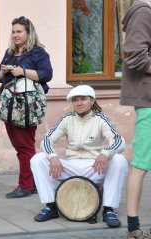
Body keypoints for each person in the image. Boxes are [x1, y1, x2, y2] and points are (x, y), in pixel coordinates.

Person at [30, 85, 128, 227]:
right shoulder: (67, 119)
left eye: (83, 99)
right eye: (75, 100)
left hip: (94, 167)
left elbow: (119, 141)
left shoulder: (101, 119)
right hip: (72, 167)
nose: (79, 103)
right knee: (37, 159)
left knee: (119, 160)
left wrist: (105, 154)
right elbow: (47, 140)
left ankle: (108, 209)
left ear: (92, 101)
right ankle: (51, 206)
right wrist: (53, 157)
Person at [0, 16, 53, 198]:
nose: (15, 35)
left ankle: (26, 185)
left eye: (19, 31)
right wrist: (2, 72)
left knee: (25, 146)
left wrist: (23, 72)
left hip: (27, 106)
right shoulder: (10, 52)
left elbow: (47, 74)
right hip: (9, 105)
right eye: (13, 32)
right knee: (19, 146)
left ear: (29, 33)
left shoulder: (38, 53)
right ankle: (33, 182)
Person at [120, 0, 151, 239]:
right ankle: (133, 228)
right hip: (149, 102)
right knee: (140, 164)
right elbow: (135, 56)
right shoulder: (143, 12)